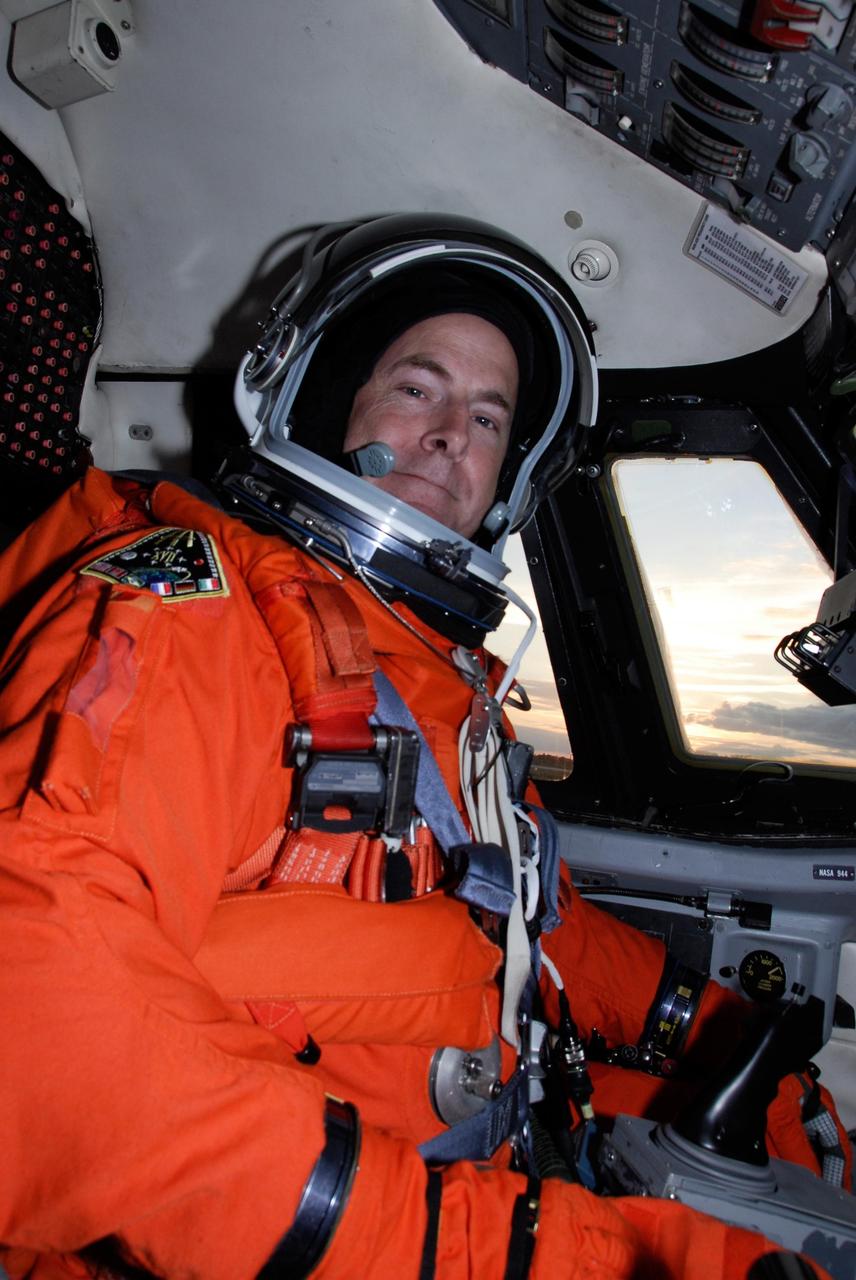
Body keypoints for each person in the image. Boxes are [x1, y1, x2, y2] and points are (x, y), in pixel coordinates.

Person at [0, 214, 847, 1280]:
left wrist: (703, 1020)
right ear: (323, 399)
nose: (454, 432)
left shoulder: (435, 684)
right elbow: (35, 1006)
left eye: (488, 415)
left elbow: (528, 923)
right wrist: (496, 1245)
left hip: (457, 1143)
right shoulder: (190, 603)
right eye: (416, 386)